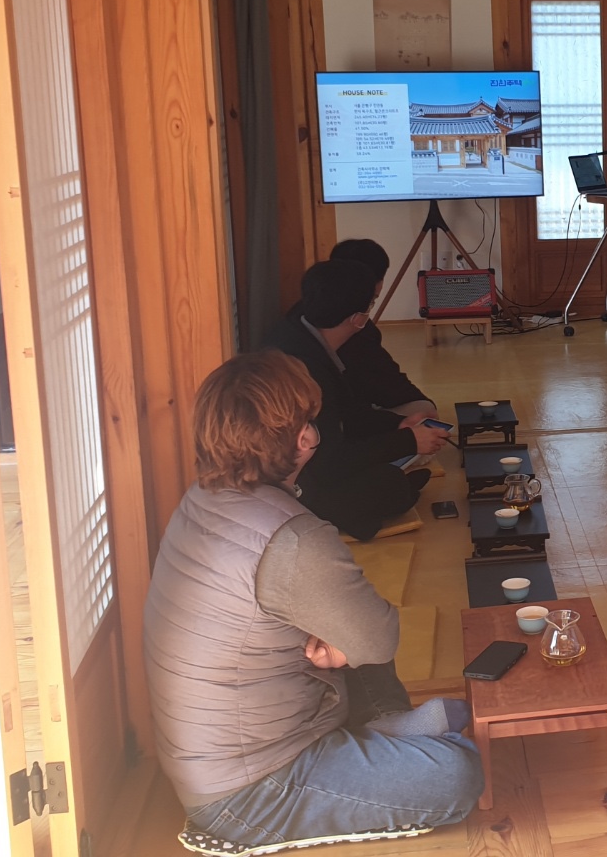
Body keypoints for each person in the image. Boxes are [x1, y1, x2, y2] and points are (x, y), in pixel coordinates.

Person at [143, 352, 483, 851]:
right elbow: (379, 638)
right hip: (251, 788)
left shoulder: (203, 496)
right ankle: (388, 743)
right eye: (308, 421)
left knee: (351, 617)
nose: (312, 430)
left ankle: (385, 737)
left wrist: (341, 641)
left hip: (219, 747)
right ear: (304, 438)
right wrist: (344, 647)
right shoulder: (292, 538)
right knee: (458, 773)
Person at [263, 259, 447, 539]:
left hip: (314, 462)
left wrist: (397, 424)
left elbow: (346, 412)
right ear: (358, 319)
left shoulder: (299, 331)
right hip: (299, 484)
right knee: (388, 484)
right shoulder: (306, 367)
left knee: (386, 470)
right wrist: (408, 441)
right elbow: (329, 461)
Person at [327, 238, 436, 420]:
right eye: (372, 300)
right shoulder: (355, 326)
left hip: (346, 412)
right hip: (341, 424)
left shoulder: (306, 312)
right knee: (424, 412)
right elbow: (388, 385)